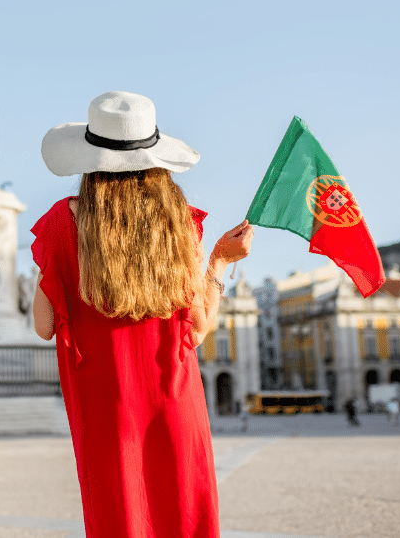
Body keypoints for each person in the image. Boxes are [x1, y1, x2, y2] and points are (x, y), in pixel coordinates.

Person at [31, 91, 254, 538]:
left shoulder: (60, 223)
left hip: (104, 408)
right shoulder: (179, 223)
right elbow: (196, 330)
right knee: (182, 516)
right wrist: (220, 263)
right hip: (173, 397)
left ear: (90, 162)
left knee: (119, 518)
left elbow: (44, 326)